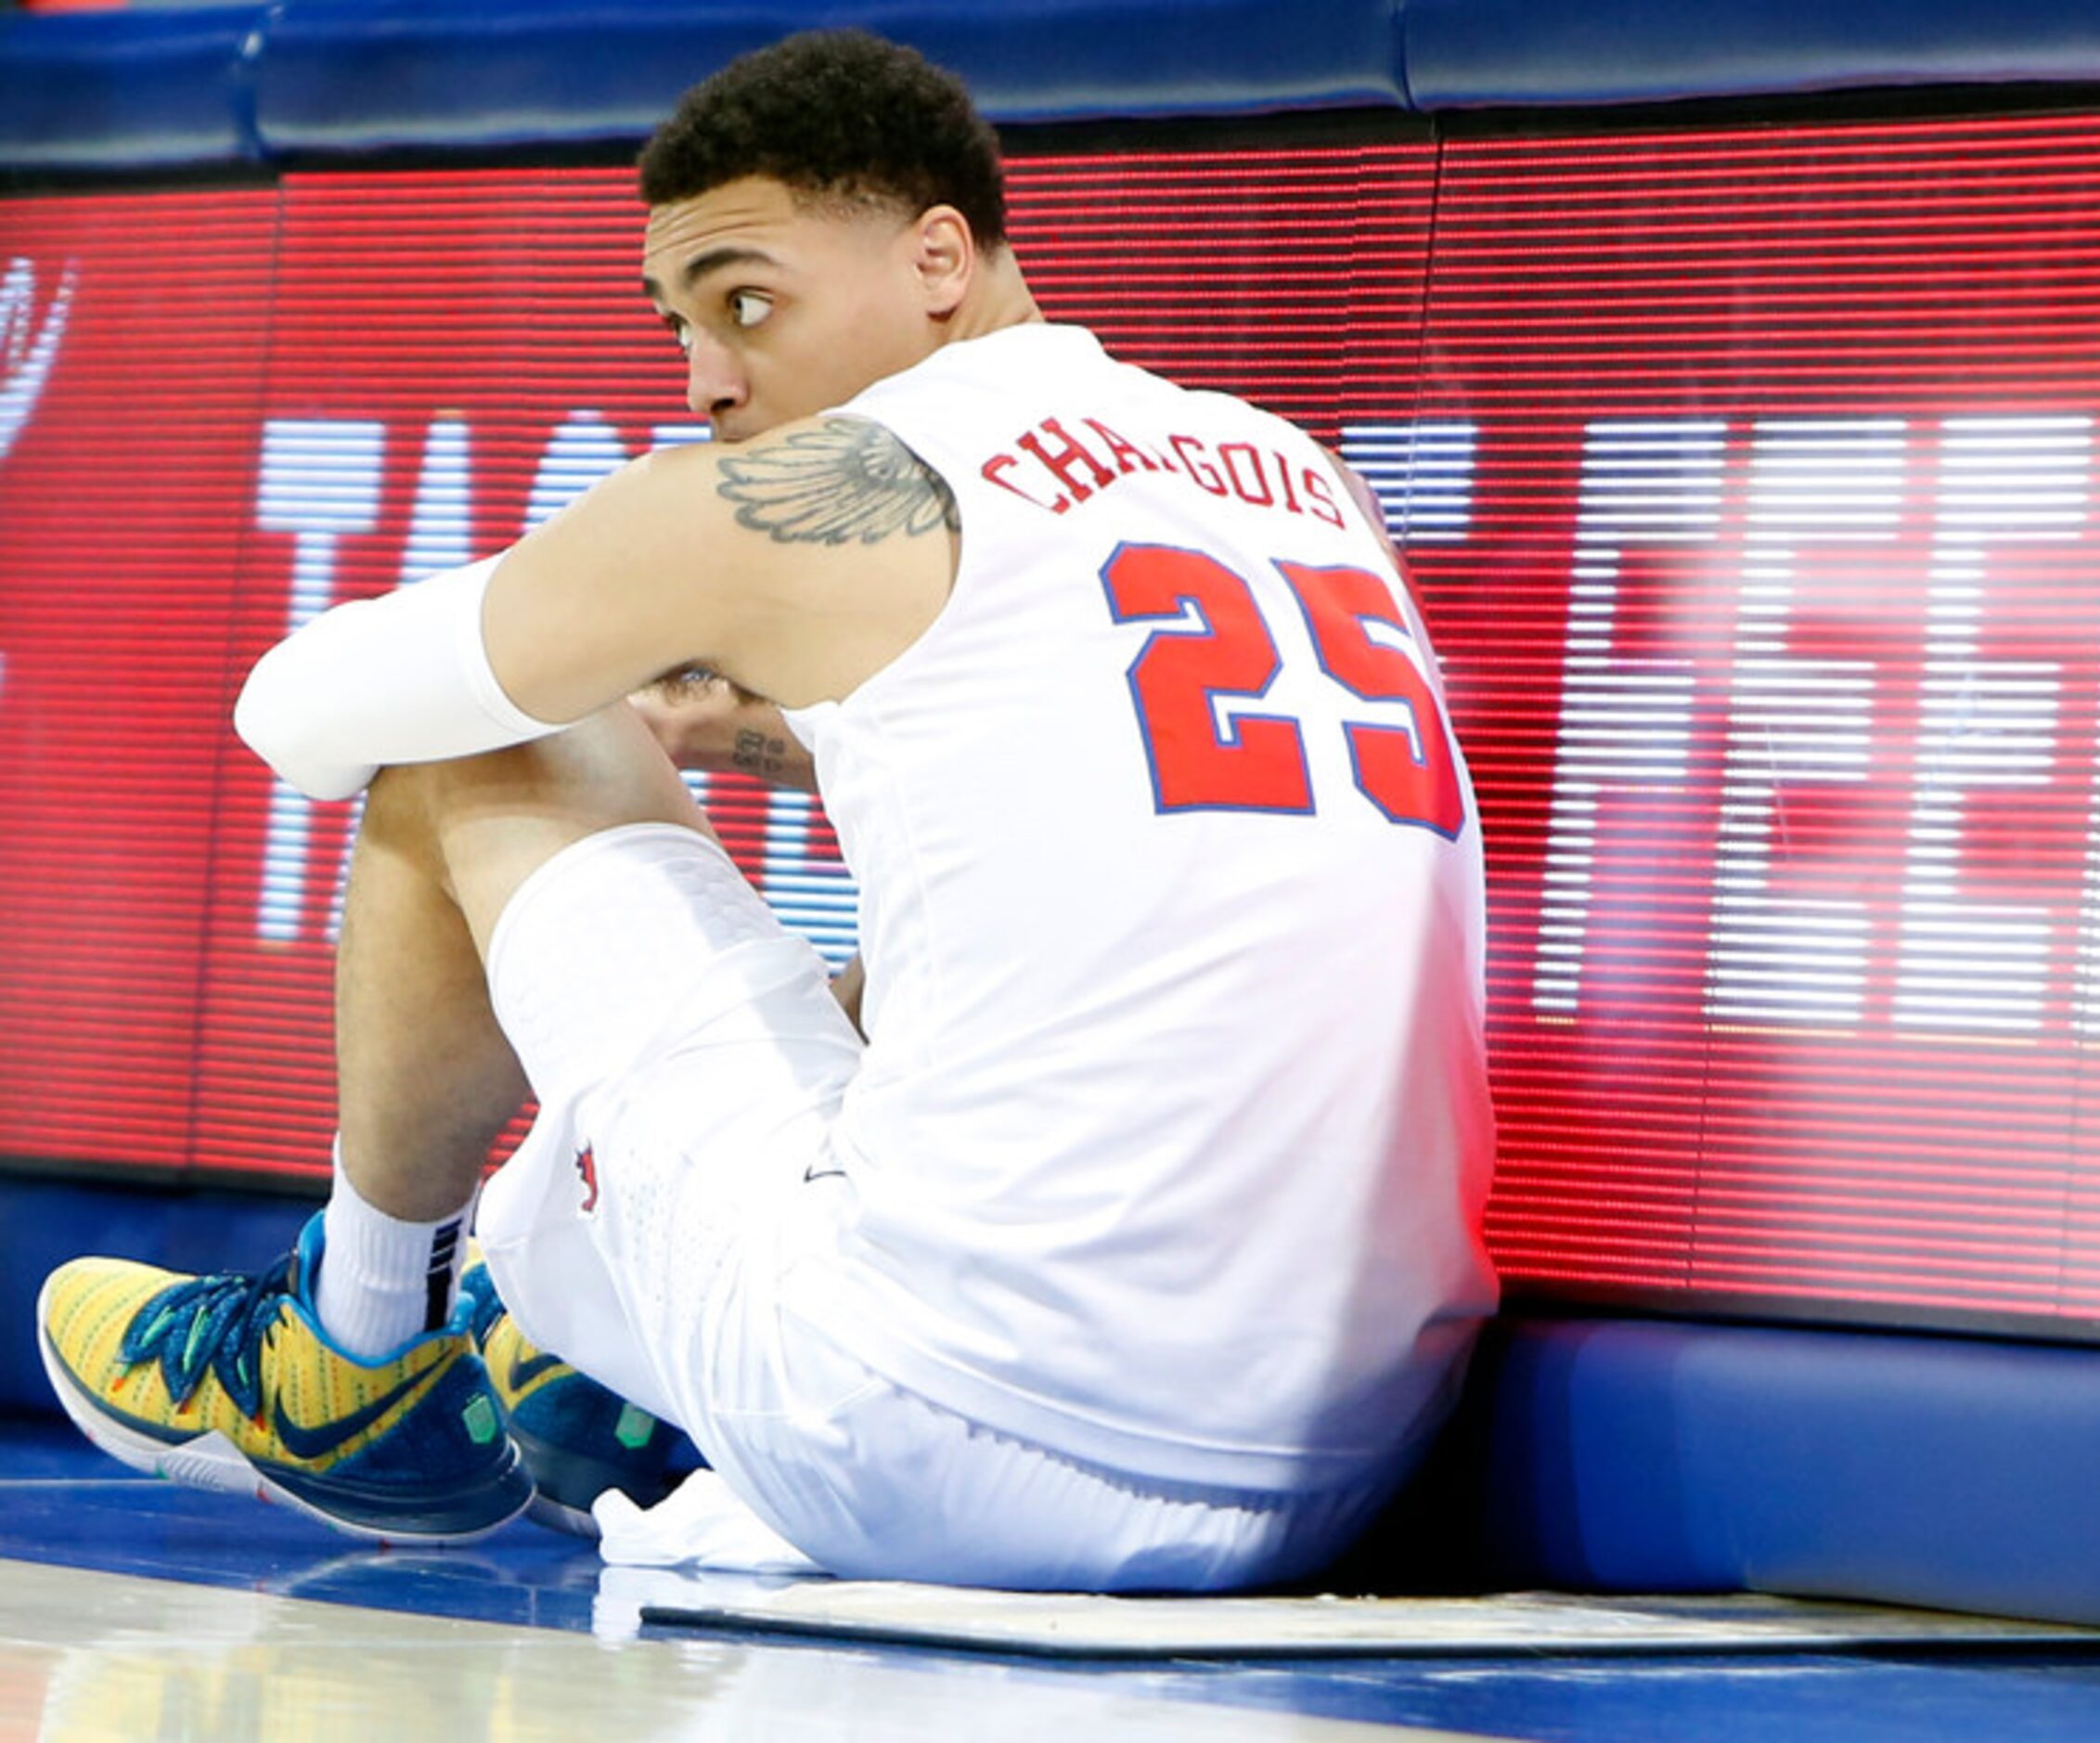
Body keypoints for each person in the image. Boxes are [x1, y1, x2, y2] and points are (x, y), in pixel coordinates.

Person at [36, 27, 1498, 1590]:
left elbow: (299, 711)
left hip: (948, 1436)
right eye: (678, 323)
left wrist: (625, 650)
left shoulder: (830, 486)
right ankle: (564, 1348)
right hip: (1348, 1468)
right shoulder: (1285, 466)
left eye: (748, 301)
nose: (707, 378)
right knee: (979, 951)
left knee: (486, 734)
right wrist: (789, 723)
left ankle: (355, 1353)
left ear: (940, 257)